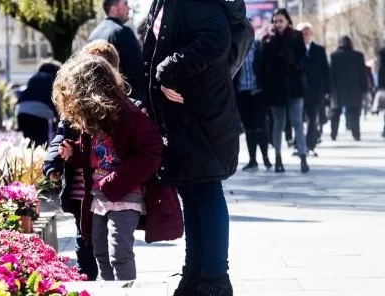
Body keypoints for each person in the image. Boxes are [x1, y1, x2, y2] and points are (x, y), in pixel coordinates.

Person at [142, 0, 252, 292]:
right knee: (190, 190)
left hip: (202, 113)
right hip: (180, 114)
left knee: (206, 188)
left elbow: (215, 38)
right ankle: (195, 271)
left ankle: (216, 278)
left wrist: (168, 69)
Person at [53, 55, 163, 281]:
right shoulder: (94, 119)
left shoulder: (130, 115)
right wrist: (74, 152)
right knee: (100, 251)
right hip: (99, 196)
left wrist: (115, 181)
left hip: (125, 195)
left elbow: (151, 152)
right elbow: (94, 154)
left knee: (119, 252)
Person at [43, 40, 142, 281]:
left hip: (113, 189)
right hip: (82, 191)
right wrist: (53, 162)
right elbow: (61, 138)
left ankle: (115, 283)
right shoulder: (75, 109)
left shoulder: (126, 110)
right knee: (86, 241)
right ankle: (87, 278)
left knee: (116, 245)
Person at [260, 9, 309, 173]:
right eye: (276, 21)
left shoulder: (296, 37)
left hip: (294, 87)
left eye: (281, 21)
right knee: (278, 124)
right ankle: (278, 158)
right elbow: (263, 66)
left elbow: (303, 60)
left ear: (288, 21)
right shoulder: (268, 40)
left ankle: (303, 157)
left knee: (297, 123)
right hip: (276, 90)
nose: (278, 24)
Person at [88, 0, 144, 102]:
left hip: (98, 101)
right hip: (124, 101)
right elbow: (136, 71)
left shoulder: (93, 35)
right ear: (113, 9)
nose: (129, 8)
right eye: (125, 4)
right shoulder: (123, 32)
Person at [234, 34, 272, 171]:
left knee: (260, 126)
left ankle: (266, 158)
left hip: (258, 92)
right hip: (242, 93)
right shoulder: (235, 48)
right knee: (248, 128)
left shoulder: (259, 47)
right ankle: (252, 160)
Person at [297, 22, 330, 156]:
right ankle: (298, 145)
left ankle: (310, 145)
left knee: (312, 118)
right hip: (298, 90)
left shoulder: (319, 49)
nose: (305, 35)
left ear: (311, 34)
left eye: (307, 32)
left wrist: (327, 91)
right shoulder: (294, 49)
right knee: (298, 119)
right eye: (302, 32)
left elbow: (326, 71)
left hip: (315, 91)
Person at [330, 36, 368, 141]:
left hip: (338, 89)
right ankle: (356, 134)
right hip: (354, 88)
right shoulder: (358, 56)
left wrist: (329, 89)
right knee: (354, 113)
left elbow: (331, 74)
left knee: (335, 112)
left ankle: (333, 133)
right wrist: (364, 88)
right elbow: (362, 74)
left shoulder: (334, 56)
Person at [16, 61, 61, 146]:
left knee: (29, 141)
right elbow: (55, 99)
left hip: (21, 111)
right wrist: (58, 117)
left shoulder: (34, 78)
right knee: (41, 143)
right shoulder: (53, 78)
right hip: (40, 113)